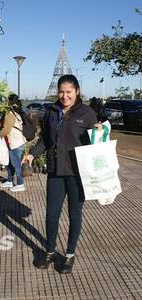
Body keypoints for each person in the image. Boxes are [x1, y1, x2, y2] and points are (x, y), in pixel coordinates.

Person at [22, 74, 101, 274]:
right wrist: (32, 155)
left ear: (77, 92)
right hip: (56, 172)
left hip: (77, 174)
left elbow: (96, 143)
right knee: (51, 215)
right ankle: (49, 251)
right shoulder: (51, 111)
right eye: (61, 91)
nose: (65, 96)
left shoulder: (87, 113)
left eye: (69, 92)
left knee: (75, 215)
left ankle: (69, 255)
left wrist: (99, 132)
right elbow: (45, 140)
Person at [0, 94, 27, 192]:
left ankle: (20, 184)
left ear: (9, 103)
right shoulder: (14, 113)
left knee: (16, 164)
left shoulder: (10, 114)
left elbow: (6, 130)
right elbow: (4, 128)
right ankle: (10, 181)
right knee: (10, 163)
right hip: (15, 143)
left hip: (16, 143)